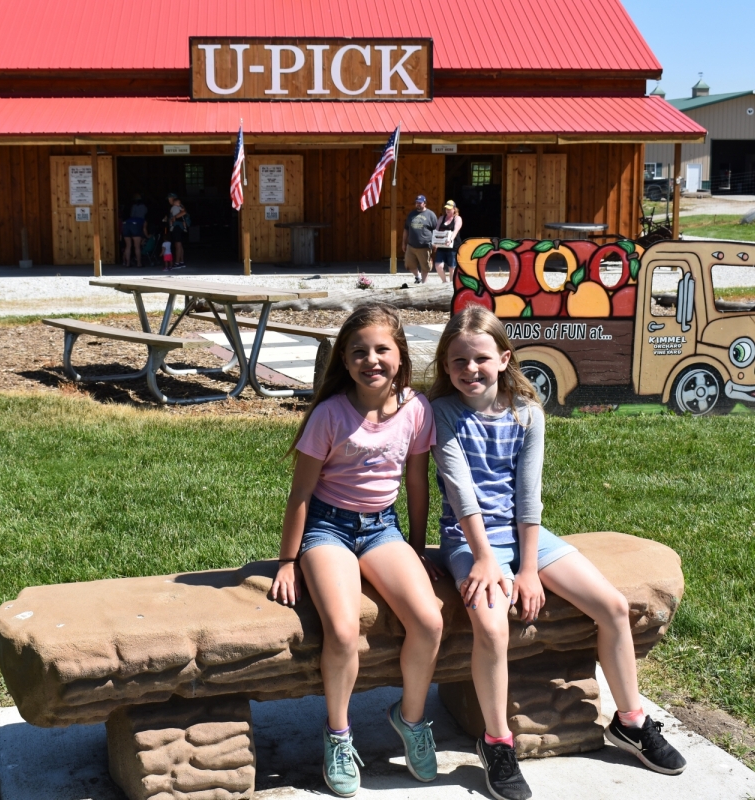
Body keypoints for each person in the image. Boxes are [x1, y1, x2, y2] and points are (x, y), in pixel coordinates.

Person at [428, 305, 687, 800]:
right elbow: (461, 494)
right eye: (456, 360)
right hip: (469, 538)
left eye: (480, 358)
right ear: (445, 366)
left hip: (528, 536)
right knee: (490, 623)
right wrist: (485, 560)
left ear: (504, 358)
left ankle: (631, 721)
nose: (469, 369)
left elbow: (529, 495)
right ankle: (497, 740)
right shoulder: (441, 413)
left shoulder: (527, 412)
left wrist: (528, 568)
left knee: (612, 606)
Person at [270, 302, 444, 798]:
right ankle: (339, 734)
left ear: (401, 355)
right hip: (328, 530)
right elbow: (301, 493)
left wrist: (414, 548)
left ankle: (410, 719)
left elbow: (416, 481)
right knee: (344, 631)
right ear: (344, 362)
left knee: (430, 621)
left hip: (382, 529)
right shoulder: (330, 414)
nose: (372, 360)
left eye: (382, 349)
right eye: (359, 352)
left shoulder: (416, 409)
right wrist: (288, 559)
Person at [402, 195, 438, 284]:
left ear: (424, 203)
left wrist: (435, 243)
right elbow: (406, 229)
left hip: (425, 246)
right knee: (409, 264)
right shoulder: (411, 214)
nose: (418, 204)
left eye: (420, 202)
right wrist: (403, 242)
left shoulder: (431, 215)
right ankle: (418, 277)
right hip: (411, 245)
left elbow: (436, 230)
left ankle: (424, 284)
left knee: (425, 267)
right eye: (417, 202)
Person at [433, 200, 463, 283]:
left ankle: (451, 285)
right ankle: (444, 282)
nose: (447, 210)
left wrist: (450, 239)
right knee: (438, 265)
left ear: (454, 209)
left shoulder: (457, 219)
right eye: (446, 208)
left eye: (449, 209)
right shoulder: (441, 218)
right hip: (442, 245)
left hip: (453, 246)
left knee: (452, 268)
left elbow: (456, 230)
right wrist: (435, 243)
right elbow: (436, 231)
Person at [122, 194, 148, 268]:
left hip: (127, 223)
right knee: (137, 246)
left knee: (128, 246)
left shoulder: (133, 206)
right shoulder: (144, 207)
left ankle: (127, 263)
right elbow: (144, 227)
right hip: (137, 224)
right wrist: (147, 235)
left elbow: (131, 214)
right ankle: (139, 264)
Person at [163, 193, 188, 269]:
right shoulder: (173, 206)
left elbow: (184, 212)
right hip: (177, 226)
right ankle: (181, 262)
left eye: (170, 198)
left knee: (178, 244)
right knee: (179, 244)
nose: (169, 200)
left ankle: (177, 263)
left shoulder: (179, 204)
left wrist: (174, 217)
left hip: (177, 226)